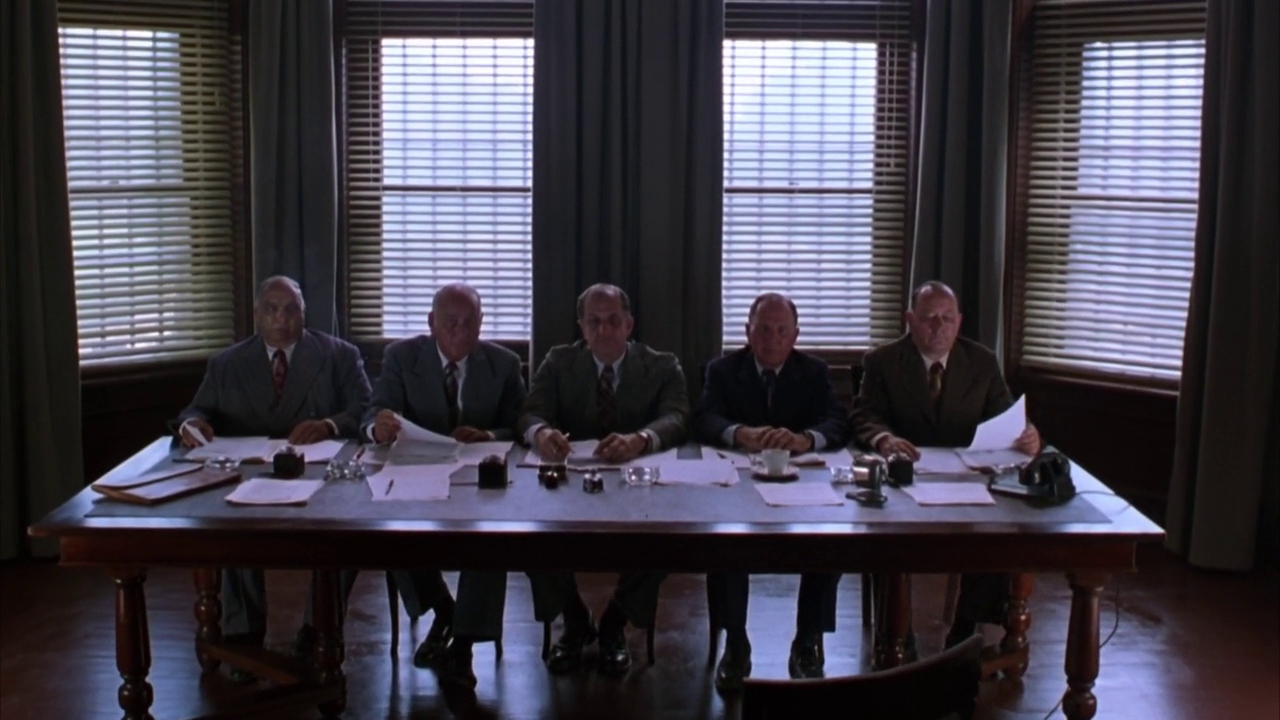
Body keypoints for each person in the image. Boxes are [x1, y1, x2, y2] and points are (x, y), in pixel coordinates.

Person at [177, 276, 371, 679]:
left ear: (304, 313)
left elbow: (366, 410)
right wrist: (191, 425)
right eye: (271, 310)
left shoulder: (339, 355)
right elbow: (195, 412)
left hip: (323, 475)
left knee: (347, 534)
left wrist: (330, 425)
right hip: (249, 474)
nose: (281, 320)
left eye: (291, 310)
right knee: (232, 530)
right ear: (256, 314)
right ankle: (244, 638)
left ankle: (316, 631)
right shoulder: (227, 363)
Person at [851, 280, 1041, 647]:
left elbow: (1006, 413)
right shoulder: (883, 361)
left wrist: (1027, 432)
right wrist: (884, 439)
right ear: (910, 320)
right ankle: (896, 638)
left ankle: (965, 630)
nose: (938, 327)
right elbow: (864, 415)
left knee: (998, 532)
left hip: (967, 481)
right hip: (903, 483)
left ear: (959, 322)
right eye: (929, 318)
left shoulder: (981, 361)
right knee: (883, 535)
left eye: (947, 318)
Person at [514, 283, 689, 679]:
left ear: (629, 325)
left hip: (639, 483)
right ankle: (574, 620)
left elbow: (678, 417)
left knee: (669, 539)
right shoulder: (559, 361)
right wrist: (541, 432)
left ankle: (615, 622)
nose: (604, 330)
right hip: (570, 482)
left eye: (613, 321)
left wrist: (640, 439)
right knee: (527, 535)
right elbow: (529, 413)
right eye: (593, 322)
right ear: (581, 327)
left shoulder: (662, 365)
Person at [361, 283, 526, 671]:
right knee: (391, 527)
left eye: (469, 323)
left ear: (481, 324)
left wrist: (489, 435)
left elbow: (520, 423)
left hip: (478, 478)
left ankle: (462, 647)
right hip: (416, 472)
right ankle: (443, 609)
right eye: (450, 322)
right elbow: (375, 413)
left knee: (492, 535)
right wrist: (377, 429)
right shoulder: (401, 357)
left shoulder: (503, 363)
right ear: (431, 322)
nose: (459, 331)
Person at [693, 292, 849, 691]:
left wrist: (805, 439)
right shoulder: (722, 370)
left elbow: (837, 421)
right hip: (738, 484)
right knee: (726, 541)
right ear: (748, 332)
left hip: (802, 485)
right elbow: (705, 418)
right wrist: (738, 433)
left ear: (795, 335)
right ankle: (736, 643)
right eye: (764, 330)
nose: (773, 339)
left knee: (830, 540)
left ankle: (808, 641)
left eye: (782, 331)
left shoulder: (814, 372)